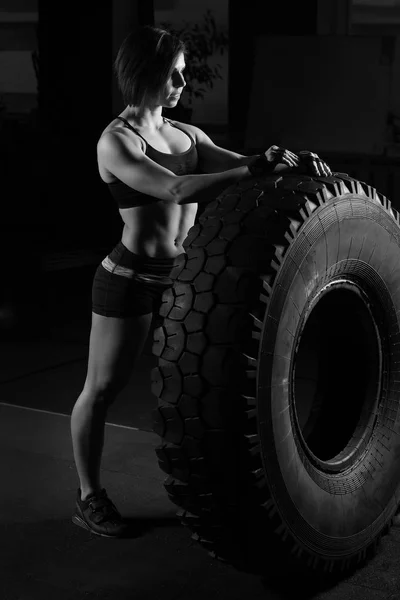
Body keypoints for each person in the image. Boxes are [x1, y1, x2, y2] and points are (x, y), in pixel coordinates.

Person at [70, 25, 332, 538]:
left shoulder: (186, 136)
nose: (184, 82)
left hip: (183, 281)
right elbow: (175, 187)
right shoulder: (116, 141)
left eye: (185, 73)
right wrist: (253, 166)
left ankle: (217, 488)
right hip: (129, 279)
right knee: (101, 390)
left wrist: (293, 163)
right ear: (148, 73)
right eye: (176, 73)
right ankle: (89, 496)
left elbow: (247, 167)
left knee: (203, 391)